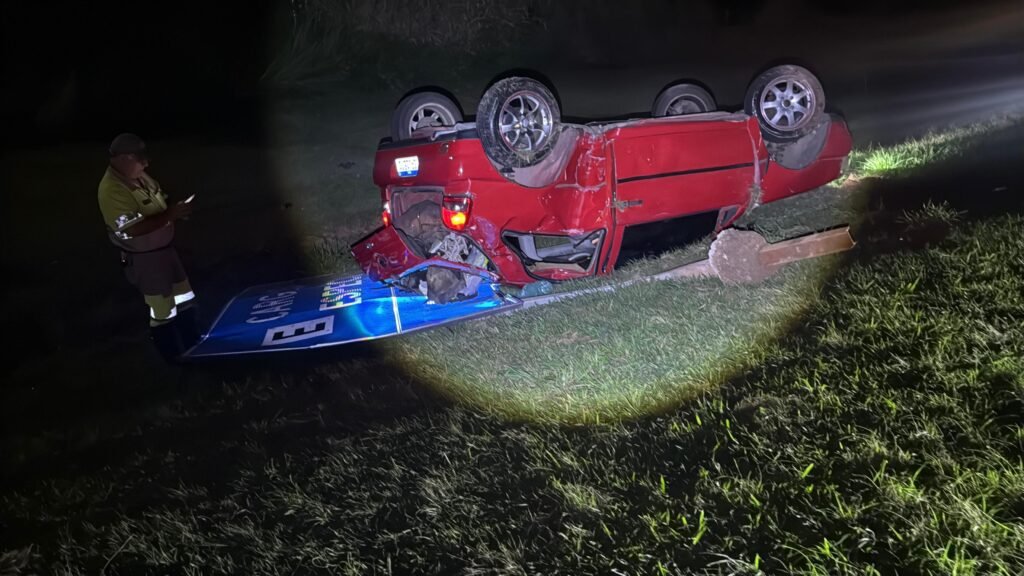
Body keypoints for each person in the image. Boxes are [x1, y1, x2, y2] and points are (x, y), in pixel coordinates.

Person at [97, 133, 199, 361]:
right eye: (140, 159)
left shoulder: (140, 177)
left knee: (184, 298)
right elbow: (133, 229)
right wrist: (170, 215)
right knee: (162, 309)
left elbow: (160, 202)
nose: (145, 164)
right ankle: (172, 356)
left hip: (165, 252)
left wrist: (175, 211)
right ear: (123, 158)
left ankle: (194, 343)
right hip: (146, 259)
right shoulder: (111, 189)